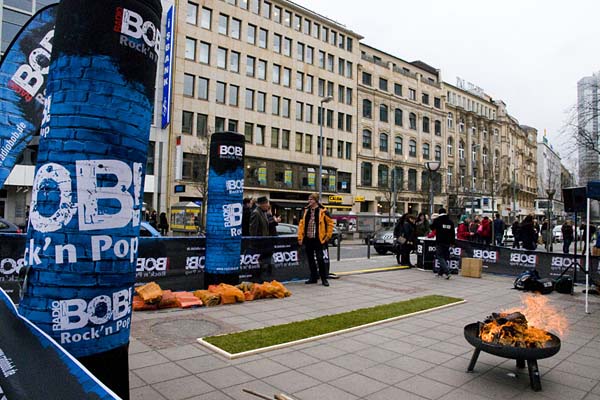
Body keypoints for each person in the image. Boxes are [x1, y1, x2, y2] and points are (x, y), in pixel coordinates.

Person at [298, 193, 335, 286]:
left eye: (311, 199)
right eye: (308, 199)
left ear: (316, 200)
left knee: (320, 259)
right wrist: (300, 237)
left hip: (318, 239)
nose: (309, 201)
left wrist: (328, 236)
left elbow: (330, 224)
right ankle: (313, 277)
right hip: (308, 238)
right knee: (310, 259)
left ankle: (324, 278)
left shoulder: (323, 211)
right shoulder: (306, 211)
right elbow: (301, 224)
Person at [430, 207, 455, 279]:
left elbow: (432, 227)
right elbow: (452, 233)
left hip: (440, 241)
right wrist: (453, 242)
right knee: (444, 257)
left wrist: (433, 220)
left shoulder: (438, 220)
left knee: (439, 256)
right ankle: (440, 273)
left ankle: (447, 272)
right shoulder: (450, 222)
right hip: (448, 242)